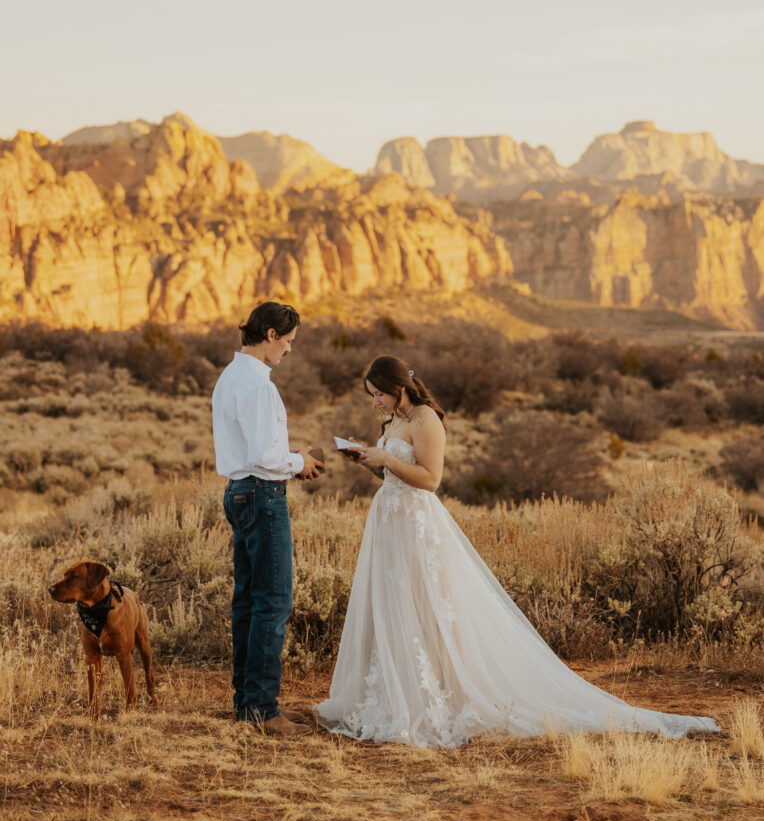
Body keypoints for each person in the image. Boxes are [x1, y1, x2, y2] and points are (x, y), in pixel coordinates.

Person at [314, 354, 719, 748]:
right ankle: (392, 692)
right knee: (394, 604)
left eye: (379, 394)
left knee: (425, 606)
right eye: (372, 395)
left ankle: (433, 696)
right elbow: (391, 473)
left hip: (416, 525)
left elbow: (430, 479)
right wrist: (368, 460)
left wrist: (387, 457)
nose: (375, 402)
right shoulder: (394, 420)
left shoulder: (426, 420)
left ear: (399, 387)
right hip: (389, 522)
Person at [212, 301, 324, 737]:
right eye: (289, 341)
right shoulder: (258, 385)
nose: (289, 351)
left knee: (248, 601)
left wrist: (291, 458)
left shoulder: (230, 376)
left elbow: (253, 446)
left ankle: (249, 702)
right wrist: (300, 460)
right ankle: (261, 709)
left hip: (240, 493)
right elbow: (264, 456)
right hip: (261, 495)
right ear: (272, 335)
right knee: (273, 601)